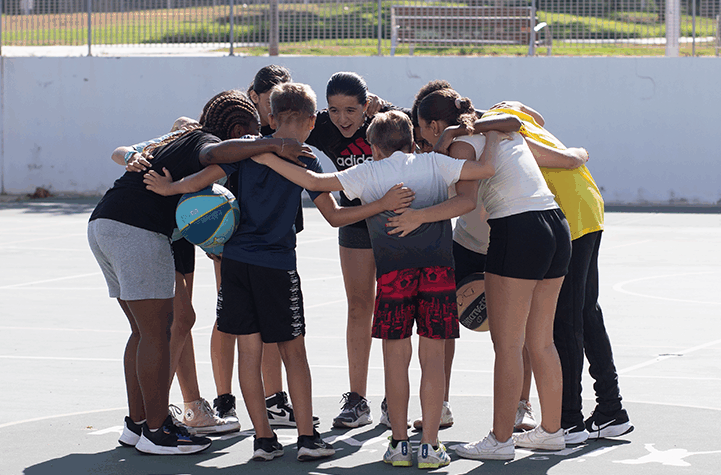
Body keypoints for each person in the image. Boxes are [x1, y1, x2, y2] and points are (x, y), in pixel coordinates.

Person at [143, 82, 413, 461]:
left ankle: (264, 440)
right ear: (309, 121)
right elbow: (335, 216)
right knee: (294, 354)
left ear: (271, 116)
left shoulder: (248, 149)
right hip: (277, 266)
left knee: (249, 354)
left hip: (236, 264)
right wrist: (381, 203)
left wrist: (170, 190)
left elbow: (200, 180)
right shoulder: (306, 159)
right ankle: (306, 438)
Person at [254, 110, 500, 468]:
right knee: (432, 361)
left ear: (374, 147)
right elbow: (487, 169)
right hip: (437, 272)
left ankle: (399, 444)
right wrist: (491, 133)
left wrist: (263, 155)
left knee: (394, 361)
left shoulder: (369, 172)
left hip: (393, 275)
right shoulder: (435, 164)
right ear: (411, 139)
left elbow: (314, 182)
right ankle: (430, 445)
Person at [87, 92, 307, 455]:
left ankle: (137, 423)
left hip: (104, 225)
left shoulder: (178, 138)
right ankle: (157, 433)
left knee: (142, 333)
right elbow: (216, 154)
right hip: (138, 231)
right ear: (238, 130)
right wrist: (271, 143)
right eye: (251, 132)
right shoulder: (208, 142)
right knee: (159, 333)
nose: (254, 139)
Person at [411, 88, 572, 460]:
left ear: (436, 124)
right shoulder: (500, 131)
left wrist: (415, 216)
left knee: (508, 345)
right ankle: (551, 431)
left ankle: (500, 440)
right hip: (555, 225)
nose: (424, 139)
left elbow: (465, 201)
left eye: (424, 131)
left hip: (517, 231)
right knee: (541, 341)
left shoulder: (463, 143)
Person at [487, 101, 633, 442]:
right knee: (585, 311)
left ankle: (567, 419)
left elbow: (553, 157)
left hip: (567, 211)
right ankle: (611, 409)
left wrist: (575, 154)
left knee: (564, 319)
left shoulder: (494, 127)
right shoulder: (513, 113)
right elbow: (537, 116)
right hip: (588, 205)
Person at [304, 71, 403, 428]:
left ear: (367, 106)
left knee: (395, 309)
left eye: (351, 110)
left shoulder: (385, 121)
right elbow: (276, 126)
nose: (342, 118)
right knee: (360, 307)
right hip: (357, 224)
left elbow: (419, 126)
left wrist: (386, 107)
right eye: (334, 110)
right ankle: (357, 399)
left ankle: (396, 398)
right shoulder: (321, 127)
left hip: (395, 221)